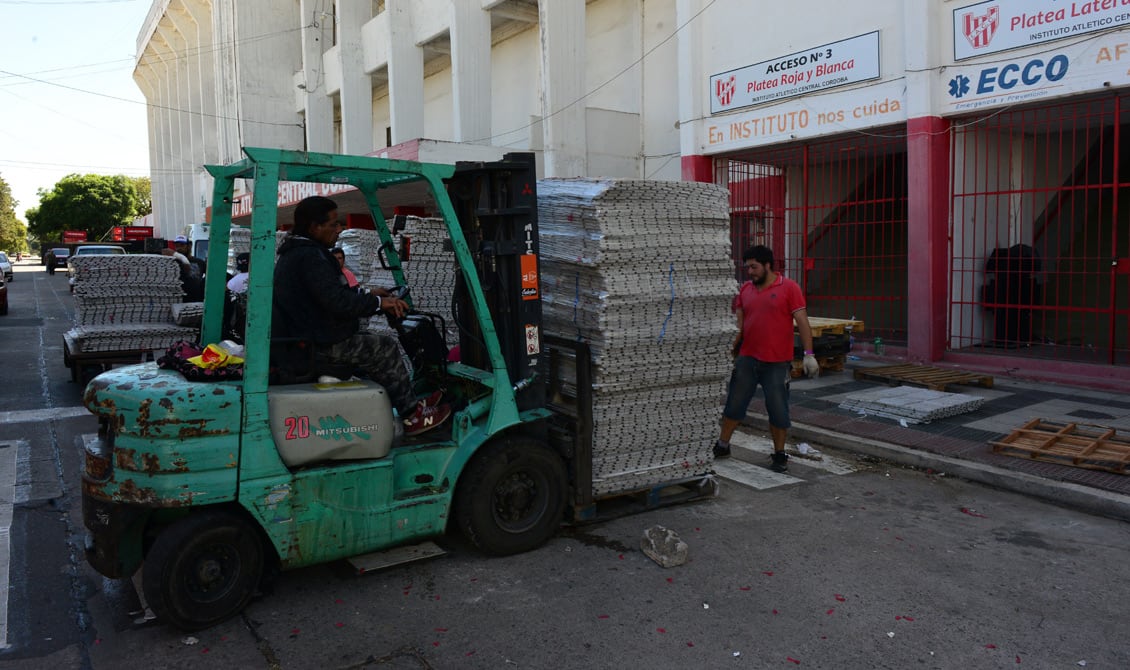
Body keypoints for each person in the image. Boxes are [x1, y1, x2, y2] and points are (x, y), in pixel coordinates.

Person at [273, 195, 451, 437]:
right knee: (383, 347)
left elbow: (326, 294)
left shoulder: (297, 253)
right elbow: (337, 302)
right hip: (317, 343)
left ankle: (407, 398)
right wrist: (379, 302)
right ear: (316, 227)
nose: (340, 229)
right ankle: (412, 416)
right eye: (334, 224)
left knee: (368, 339)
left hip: (311, 337)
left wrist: (368, 293)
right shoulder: (309, 257)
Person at [714, 245, 818, 473]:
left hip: (777, 363)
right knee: (734, 404)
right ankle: (723, 444)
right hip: (747, 359)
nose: (750, 272)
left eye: (754, 267)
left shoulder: (789, 288)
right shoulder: (745, 291)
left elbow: (802, 322)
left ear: (768, 265)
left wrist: (809, 355)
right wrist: (728, 352)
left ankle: (779, 454)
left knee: (778, 409)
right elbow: (740, 327)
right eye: (747, 267)